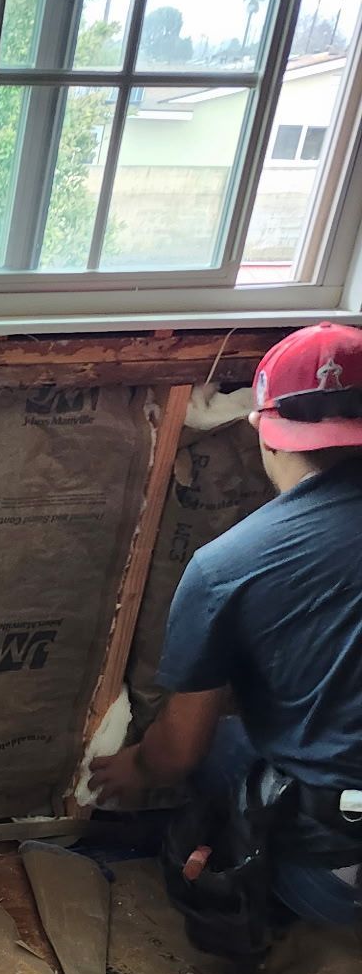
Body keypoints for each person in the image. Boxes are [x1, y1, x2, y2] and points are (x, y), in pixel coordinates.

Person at [91, 321, 362, 941]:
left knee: (218, 748)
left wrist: (138, 766)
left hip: (342, 880)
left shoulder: (230, 566)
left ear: (262, 431)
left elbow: (179, 751)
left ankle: (285, 915)